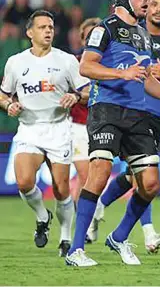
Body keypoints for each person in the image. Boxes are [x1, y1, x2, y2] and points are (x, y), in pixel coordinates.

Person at [65, 0, 160, 267]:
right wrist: (121, 74)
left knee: (150, 184)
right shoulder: (104, 28)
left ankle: (119, 237)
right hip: (106, 110)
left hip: (138, 114)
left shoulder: (144, 35)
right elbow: (87, 66)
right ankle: (76, 249)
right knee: (100, 172)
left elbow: (146, 79)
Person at [0, 10, 90, 257]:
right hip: (29, 129)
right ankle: (42, 215)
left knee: (62, 190)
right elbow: (3, 93)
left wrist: (76, 96)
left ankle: (65, 237)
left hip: (59, 129)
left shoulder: (67, 61)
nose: (48, 30)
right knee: (24, 182)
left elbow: (88, 91)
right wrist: (9, 105)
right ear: (30, 33)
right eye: (42, 27)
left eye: (50, 26)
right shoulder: (16, 63)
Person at [70, 17, 102, 244]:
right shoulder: (72, 64)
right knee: (86, 175)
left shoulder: (109, 63)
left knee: (92, 179)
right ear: (82, 40)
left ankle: (90, 216)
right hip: (79, 128)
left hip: (104, 126)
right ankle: (90, 223)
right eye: (88, 36)